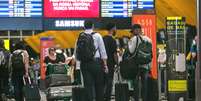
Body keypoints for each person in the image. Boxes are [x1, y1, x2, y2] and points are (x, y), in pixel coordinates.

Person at [74, 20, 108, 101]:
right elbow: (103, 51)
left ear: (84, 26)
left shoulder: (80, 36)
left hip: (84, 64)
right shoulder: (98, 36)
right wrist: (105, 65)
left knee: (88, 86)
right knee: (99, 85)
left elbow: (76, 53)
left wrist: (78, 66)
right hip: (96, 63)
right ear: (93, 26)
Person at [128, 24, 152, 101]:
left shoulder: (134, 39)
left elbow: (131, 51)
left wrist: (129, 44)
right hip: (145, 65)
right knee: (144, 84)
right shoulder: (148, 39)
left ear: (136, 30)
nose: (132, 33)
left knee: (136, 83)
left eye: (133, 31)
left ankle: (136, 99)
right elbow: (150, 53)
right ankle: (144, 99)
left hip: (136, 65)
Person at [103, 23, 118, 101]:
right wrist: (117, 63)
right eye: (115, 28)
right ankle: (107, 98)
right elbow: (114, 54)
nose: (116, 30)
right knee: (109, 81)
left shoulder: (103, 38)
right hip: (110, 63)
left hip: (102, 63)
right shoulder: (112, 40)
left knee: (103, 82)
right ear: (112, 29)